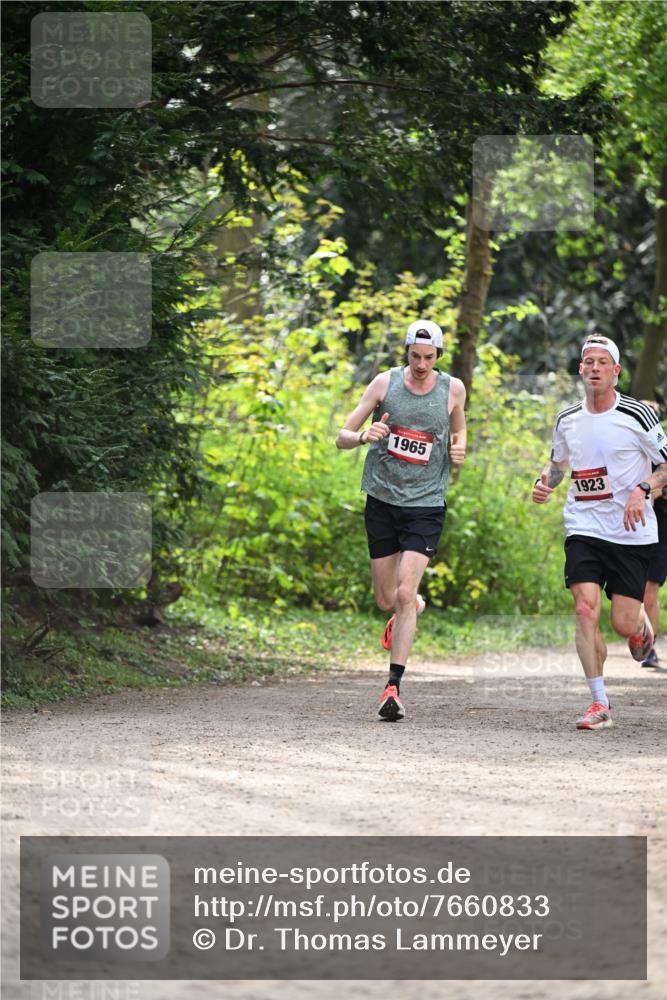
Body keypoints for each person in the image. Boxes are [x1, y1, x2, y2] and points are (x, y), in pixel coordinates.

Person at [532, 334, 667, 730]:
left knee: (622, 624)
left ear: (616, 371)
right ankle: (599, 701)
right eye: (588, 362)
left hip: (630, 531)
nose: (594, 368)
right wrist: (545, 481)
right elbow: (558, 464)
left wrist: (643, 490)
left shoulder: (637, 415)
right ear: (580, 369)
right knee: (584, 608)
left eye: (602, 362)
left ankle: (639, 626)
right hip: (583, 526)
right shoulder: (567, 419)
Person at [336, 320, 466, 721]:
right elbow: (341, 436)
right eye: (415, 356)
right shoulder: (384, 383)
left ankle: (392, 687)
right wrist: (364, 436)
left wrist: (459, 448)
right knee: (386, 600)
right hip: (382, 499)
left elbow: (459, 430)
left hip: (426, 504)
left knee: (404, 593)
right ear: (406, 352)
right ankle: (413, 607)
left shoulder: (453, 389)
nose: (421, 364)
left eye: (428, 358)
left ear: (438, 356)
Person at [640, 402, 667, 668]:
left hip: (660, 531)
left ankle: (650, 648)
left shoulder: (663, 455)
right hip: (627, 529)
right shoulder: (625, 450)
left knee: (649, 593)